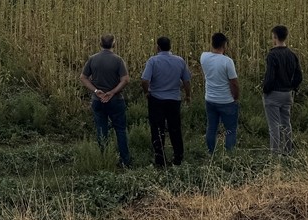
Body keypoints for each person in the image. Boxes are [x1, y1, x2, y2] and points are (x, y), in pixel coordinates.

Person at [79, 34, 131, 167]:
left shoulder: (92, 59)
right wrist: (113, 92)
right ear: (114, 44)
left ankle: (104, 158)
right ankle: (125, 160)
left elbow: (83, 78)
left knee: (101, 129)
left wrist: (96, 91)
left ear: (100, 44)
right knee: (120, 130)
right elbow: (125, 80)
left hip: (98, 100)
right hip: (116, 100)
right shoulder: (118, 60)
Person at [140, 36, 191, 167]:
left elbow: (145, 80)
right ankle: (178, 157)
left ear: (157, 47)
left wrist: (147, 92)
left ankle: (160, 159)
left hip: (156, 100)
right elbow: (186, 81)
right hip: (174, 100)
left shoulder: (153, 61)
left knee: (157, 129)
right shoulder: (180, 61)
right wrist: (188, 95)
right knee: (175, 129)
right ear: (170, 46)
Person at [262, 25, 303, 156]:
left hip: (274, 93)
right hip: (287, 93)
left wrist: (265, 89)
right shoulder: (292, 54)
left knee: (274, 125)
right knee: (286, 123)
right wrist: (293, 87)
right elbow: (299, 75)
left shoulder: (272, 55)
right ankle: (288, 150)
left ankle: (275, 153)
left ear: (275, 37)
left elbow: (270, 76)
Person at [201, 32, 240, 154]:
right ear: (224, 45)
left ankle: (211, 153)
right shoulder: (227, 61)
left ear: (212, 43)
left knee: (211, 127)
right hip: (226, 100)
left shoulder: (204, 57)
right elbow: (233, 82)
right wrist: (236, 96)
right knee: (230, 130)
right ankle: (229, 154)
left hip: (210, 99)